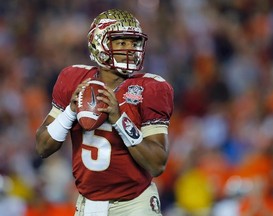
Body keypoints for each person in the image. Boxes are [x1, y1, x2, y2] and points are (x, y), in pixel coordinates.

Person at [35, 8, 174, 216]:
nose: (131, 49)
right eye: (121, 42)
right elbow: (42, 147)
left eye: (134, 42)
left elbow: (157, 164)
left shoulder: (151, 89)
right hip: (87, 202)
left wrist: (119, 120)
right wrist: (70, 111)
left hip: (134, 204)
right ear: (99, 44)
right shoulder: (73, 79)